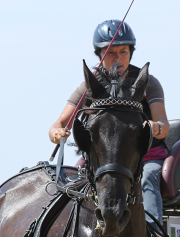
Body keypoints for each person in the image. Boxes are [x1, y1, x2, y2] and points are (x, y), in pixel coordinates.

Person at [49, 20, 170, 222]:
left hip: (145, 158)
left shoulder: (148, 83)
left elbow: (164, 125)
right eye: (111, 52)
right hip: (101, 160)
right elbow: (58, 125)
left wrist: (154, 127)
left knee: (148, 178)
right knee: (73, 180)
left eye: (124, 51)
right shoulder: (89, 86)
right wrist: (57, 133)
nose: (118, 58)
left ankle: (154, 230)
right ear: (100, 54)